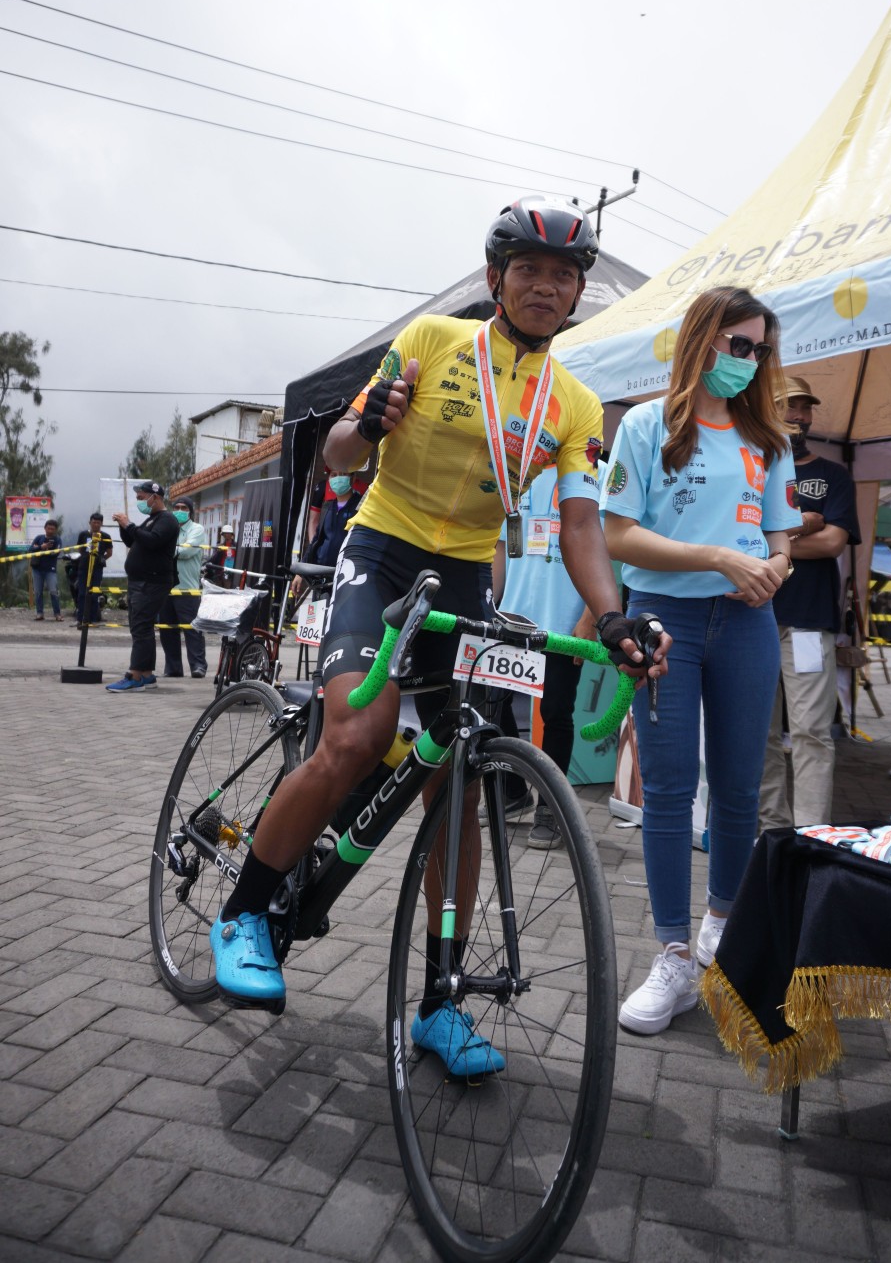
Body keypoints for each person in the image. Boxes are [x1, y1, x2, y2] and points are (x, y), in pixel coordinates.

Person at [208, 194, 670, 1074]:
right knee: (359, 734)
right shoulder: (431, 341)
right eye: (528, 269)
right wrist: (369, 420)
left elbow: (581, 525)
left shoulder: (574, 404)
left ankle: (441, 1002)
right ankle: (243, 914)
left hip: (463, 576)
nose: (545, 286)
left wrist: (611, 615)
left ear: (578, 293)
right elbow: (337, 454)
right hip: (382, 553)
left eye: (563, 275)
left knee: (459, 782)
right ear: (496, 278)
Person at [603, 285, 799, 1036]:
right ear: (702, 339)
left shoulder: (768, 438)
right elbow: (618, 534)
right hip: (665, 620)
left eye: (760, 350)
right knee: (669, 788)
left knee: (742, 787)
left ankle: (721, 929)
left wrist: (772, 568)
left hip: (749, 622)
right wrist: (717, 556)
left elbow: (781, 541)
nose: (749, 361)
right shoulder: (647, 425)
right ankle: (673, 955)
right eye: (738, 345)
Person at [757, 379, 861, 832]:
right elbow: (733, 536)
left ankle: (811, 835)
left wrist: (767, 544)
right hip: (753, 619)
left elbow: (833, 543)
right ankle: (774, 832)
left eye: (805, 408)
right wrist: (804, 524)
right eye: (788, 406)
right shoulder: (752, 469)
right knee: (758, 734)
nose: (799, 416)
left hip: (808, 624)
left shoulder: (834, 475)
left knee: (811, 732)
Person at [491, 460, 608, 848]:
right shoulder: (516, 468)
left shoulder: (595, 472)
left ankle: (550, 808)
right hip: (513, 616)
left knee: (555, 713)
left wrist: (591, 616)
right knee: (491, 702)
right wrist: (490, 603)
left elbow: (605, 549)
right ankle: (512, 791)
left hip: (564, 621)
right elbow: (501, 543)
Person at [106, 481, 180, 692]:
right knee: (142, 627)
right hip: (140, 581)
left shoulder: (167, 520)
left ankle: (135, 675)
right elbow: (134, 542)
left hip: (151, 582)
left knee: (141, 627)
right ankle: (147, 674)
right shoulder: (152, 519)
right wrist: (124, 527)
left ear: (154, 497)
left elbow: (152, 541)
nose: (139, 502)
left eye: (141, 498)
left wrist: (130, 525)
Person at [158, 495, 208, 679]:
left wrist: (162, 550)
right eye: (177, 507)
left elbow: (186, 551)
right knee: (167, 629)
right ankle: (173, 668)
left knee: (192, 629)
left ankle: (198, 666)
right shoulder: (168, 528)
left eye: (184, 508)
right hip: (165, 587)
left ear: (190, 511)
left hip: (187, 588)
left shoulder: (197, 529)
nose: (179, 511)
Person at [70, 513, 114, 629]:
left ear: (101, 524)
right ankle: (80, 619)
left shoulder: (106, 536)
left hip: (97, 569)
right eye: (94, 522)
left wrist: (101, 559)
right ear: (90, 522)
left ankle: (93, 620)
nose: (96, 525)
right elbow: (80, 549)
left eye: (98, 523)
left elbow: (109, 553)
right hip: (83, 567)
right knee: (82, 593)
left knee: (94, 594)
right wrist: (86, 557)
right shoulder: (83, 534)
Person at [29, 519, 63, 621]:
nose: (50, 531)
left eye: (52, 529)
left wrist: (45, 550)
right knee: (38, 592)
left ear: (55, 530)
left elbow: (56, 553)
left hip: (50, 570)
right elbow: (30, 550)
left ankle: (57, 614)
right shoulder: (39, 538)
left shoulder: (57, 539)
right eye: (48, 528)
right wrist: (41, 547)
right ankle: (39, 613)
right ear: (45, 528)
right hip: (37, 569)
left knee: (53, 591)